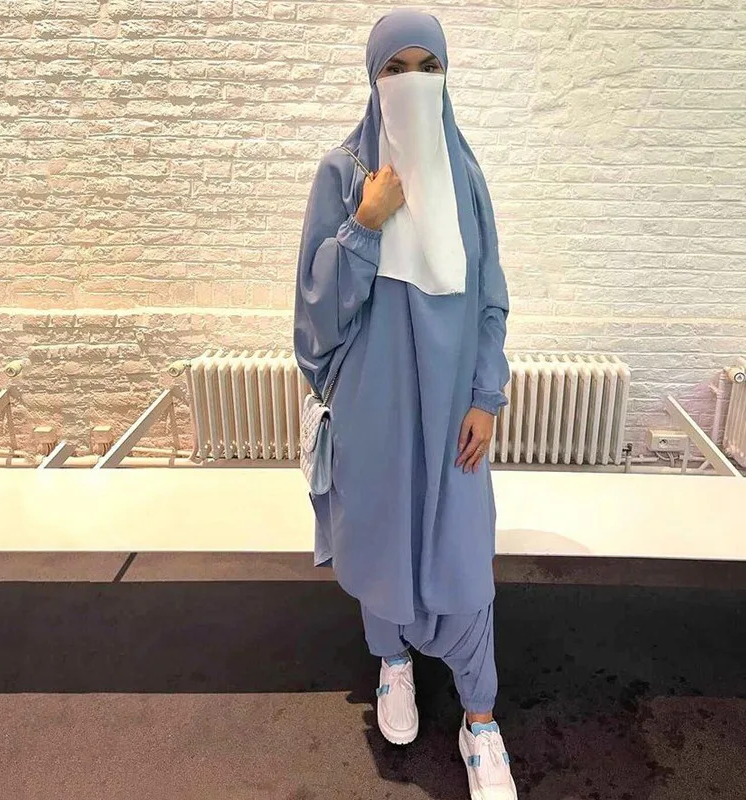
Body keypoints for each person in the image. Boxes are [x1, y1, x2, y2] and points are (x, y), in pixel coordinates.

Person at [293, 9, 516, 799]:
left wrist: (486, 396)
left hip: (454, 412)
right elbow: (313, 320)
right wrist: (364, 225)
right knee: (384, 540)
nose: (414, 83)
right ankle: (393, 662)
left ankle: (480, 720)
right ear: (373, 77)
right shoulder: (343, 174)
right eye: (396, 68)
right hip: (375, 411)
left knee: (462, 557)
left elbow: (490, 300)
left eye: (429, 67)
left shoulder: (466, 177)